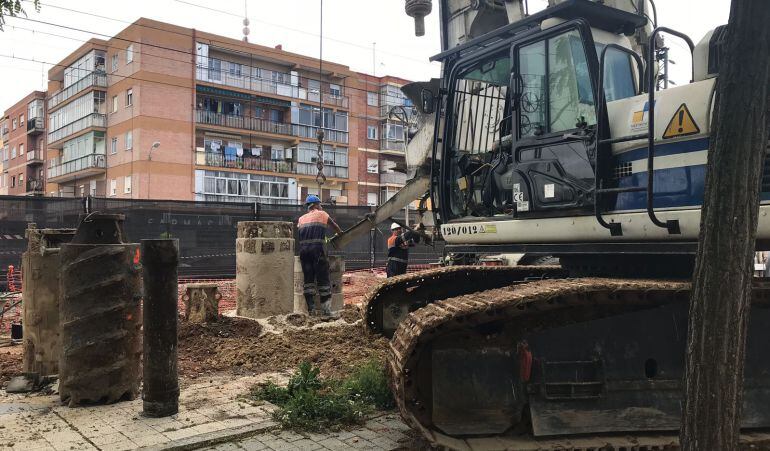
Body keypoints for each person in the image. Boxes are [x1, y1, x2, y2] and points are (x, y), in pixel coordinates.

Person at [298, 194, 342, 316]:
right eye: (320, 204)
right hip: (317, 251)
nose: (321, 206)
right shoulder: (323, 214)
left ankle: (311, 310)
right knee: (323, 279)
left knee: (308, 280)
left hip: (304, 252)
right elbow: (335, 226)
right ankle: (326, 312)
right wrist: (340, 234)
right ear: (317, 205)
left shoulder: (301, 219)